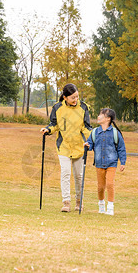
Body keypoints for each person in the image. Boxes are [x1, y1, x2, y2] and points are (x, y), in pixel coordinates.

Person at [40, 84, 92, 212]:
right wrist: (47, 130)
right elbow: (54, 124)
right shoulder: (57, 108)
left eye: (77, 97)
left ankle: (79, 201)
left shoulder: (83, 107)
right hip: (63, 146)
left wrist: (92, 138)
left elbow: (86, 127)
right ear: (65, 97)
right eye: (73, 98)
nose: (76, 100)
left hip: (79, 147)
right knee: (65, 173)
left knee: (79, 176)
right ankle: (66, 202)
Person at [84, 108, 126, 216]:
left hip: (111, 163)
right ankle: (101, 204)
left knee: (110, 184)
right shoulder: (94, 132)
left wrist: (123, 162)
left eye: (101, 115)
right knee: (100, 187)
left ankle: (110, 207)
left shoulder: (115, 133)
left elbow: (121, 148)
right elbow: (90, 144)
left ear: (108, 118)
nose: (98, 116)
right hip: (99, 163)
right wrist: (87, 146)